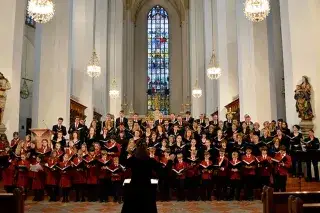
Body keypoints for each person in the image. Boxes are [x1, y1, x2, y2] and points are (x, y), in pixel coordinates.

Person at [121, 141, 173, 213]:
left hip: (134, 186)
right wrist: (170, 161)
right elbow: (163, 173)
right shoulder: (150, 161)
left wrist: (126, 148)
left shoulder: (132, 160)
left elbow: (123, 162)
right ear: (146, 151)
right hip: (147, 188)